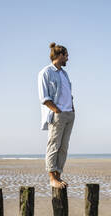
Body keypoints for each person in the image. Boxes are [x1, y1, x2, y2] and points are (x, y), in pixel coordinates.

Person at [38, 42, 75, 189]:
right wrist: (56, 110)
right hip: (57, 114)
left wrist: (72, 108)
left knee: (64, 147)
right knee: (53, 145)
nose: (67, 59)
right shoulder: (45, 72)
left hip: (69, 114)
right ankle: (52, 178)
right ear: (60, 55)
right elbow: (44, 97)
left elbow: (68, 94)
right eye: (66, 56)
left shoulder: (64, 73)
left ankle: (58, 175)